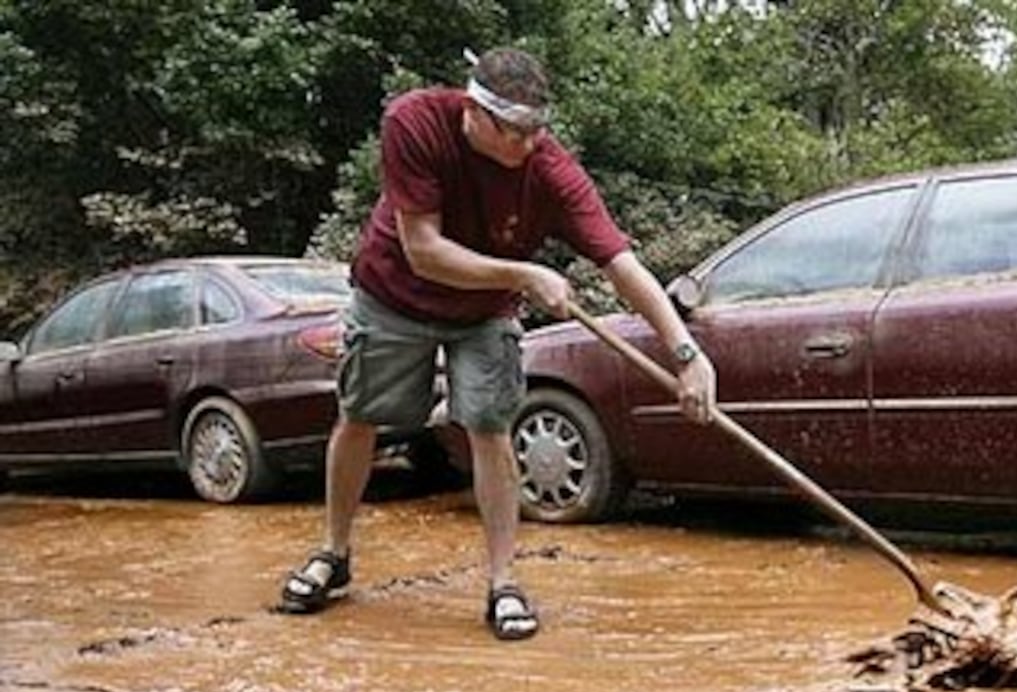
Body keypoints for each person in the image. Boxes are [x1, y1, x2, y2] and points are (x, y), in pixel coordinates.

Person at [278, 46, 716, 640]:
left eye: (538, 131)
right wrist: (523, 275)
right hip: (393, 296)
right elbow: (424, 251)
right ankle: (333, 552)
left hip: (484, 314)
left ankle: (503, 582)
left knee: (490, 426)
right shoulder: (416, 122)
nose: (528, 145)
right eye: (514, 132)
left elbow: (620, 262)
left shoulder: (549, 170)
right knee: (360, 417)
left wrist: (685, 353)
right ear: (474, 113)